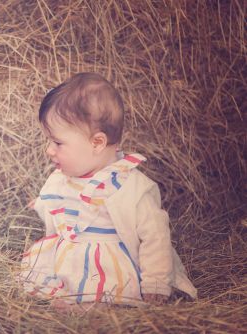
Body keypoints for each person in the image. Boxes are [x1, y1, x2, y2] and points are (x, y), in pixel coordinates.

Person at [20, 73, 197, 311]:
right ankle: (70, 299)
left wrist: (156, 282)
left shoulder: (130, 187)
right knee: (48, 273)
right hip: (72, 257)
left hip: (109, 264)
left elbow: (155, 236)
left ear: (97, 143)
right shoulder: (66, 176)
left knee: (105, 290)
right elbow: (65, 204)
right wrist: (42, 203)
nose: (49, 150)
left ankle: (91, 307)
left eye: (57, 143)